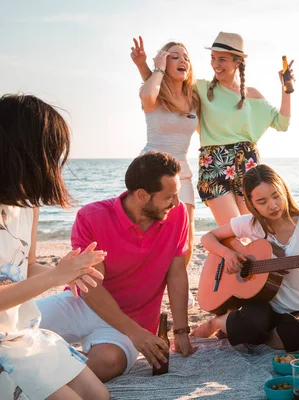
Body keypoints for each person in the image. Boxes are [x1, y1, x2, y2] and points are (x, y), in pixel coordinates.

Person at [36, 152, 196, 382]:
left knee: (108, 362)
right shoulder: (91, 216)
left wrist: (181, 330)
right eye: (170, 196)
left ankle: (37, 370)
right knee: (12, 326)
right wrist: (136, 335)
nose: (177, 202)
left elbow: (177, 273)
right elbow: (91, 286)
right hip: (82, 304)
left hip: (134, 321)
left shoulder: (177, 214)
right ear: (142, 195)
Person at [0, 94, 109, 400]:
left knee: (98, 396)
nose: (54, 163)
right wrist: (54, 277)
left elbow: (27, 266)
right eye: (50, 152)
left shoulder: (25, 208)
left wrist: (66, 273)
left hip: (20, 333)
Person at [130, 32, 292, 227]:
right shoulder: (200, 88)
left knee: (256, 228)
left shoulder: (252, 95)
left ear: (237, 62)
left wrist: (286, 89)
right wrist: (143, 66)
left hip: (247, 164)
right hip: (215, 163)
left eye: (222, 59)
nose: (216, 64)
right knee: (235, 230)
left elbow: (282, 123)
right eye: (213, 58)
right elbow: (163, 86)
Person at [190, 164, 299, 352]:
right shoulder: (250, 224)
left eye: (276, 196)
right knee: (254, 321)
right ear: (251, 204)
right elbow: (208, 237)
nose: (272, 205)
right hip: (263, 306)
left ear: (284, 190)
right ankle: (218, 322)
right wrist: (228, 254)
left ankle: (243, 331)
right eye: (262, 201)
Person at [134, 39, 201, 307]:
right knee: (147, 230)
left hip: (182, 171)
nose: (182, 60)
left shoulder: (194, 96)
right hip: (151, 170)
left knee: (187, 233)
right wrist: (153, 68)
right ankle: (143, 282)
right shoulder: (154, 92)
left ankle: (177, 282)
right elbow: (147, 96)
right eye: (174, 56)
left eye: (185, 56)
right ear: (162, 61)